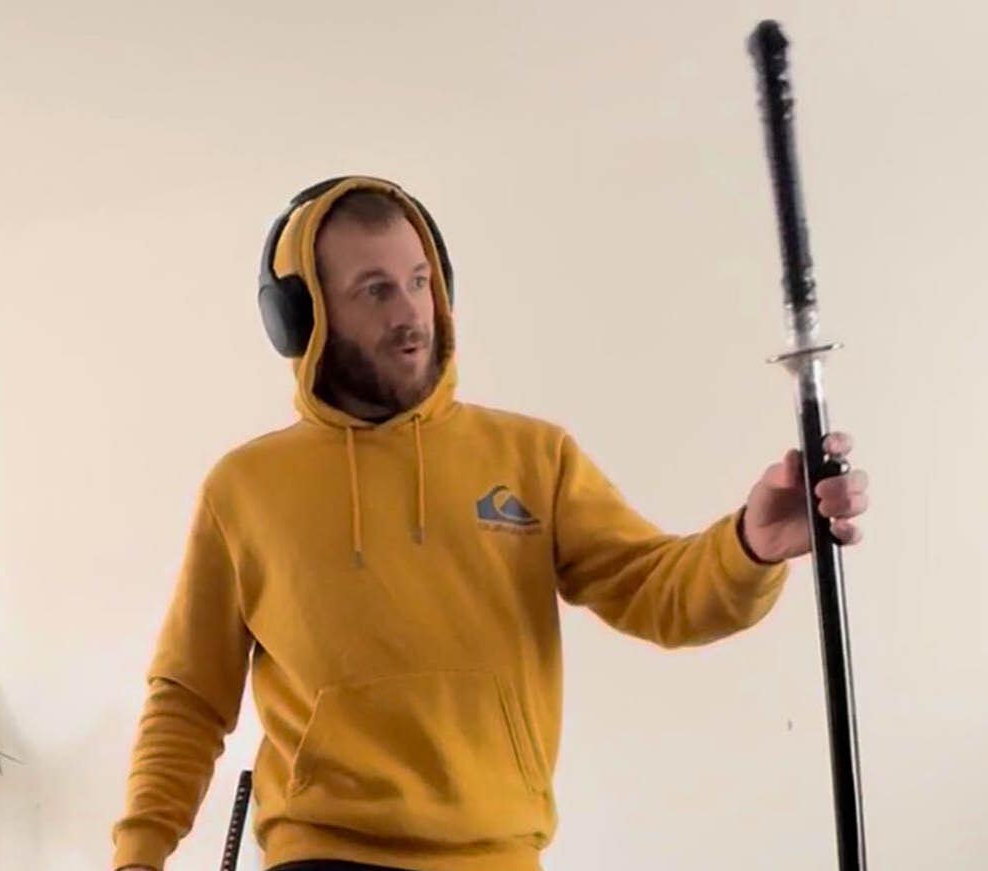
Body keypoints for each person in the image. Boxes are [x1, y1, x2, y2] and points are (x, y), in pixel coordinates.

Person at [111, 176, 870, 871]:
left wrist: (750, 545)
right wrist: (139, 854)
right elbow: (189, 696)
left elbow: (660, 593)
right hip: (324, 854)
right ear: (306, 316)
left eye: (419, 281)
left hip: (499, 856)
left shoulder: (533, 455)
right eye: (375, 290)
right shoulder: (245, 489)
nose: (411, 311)